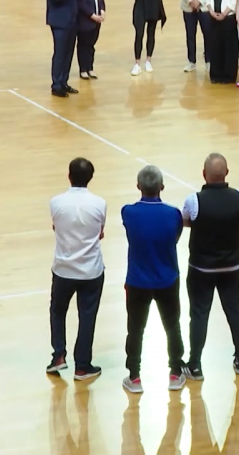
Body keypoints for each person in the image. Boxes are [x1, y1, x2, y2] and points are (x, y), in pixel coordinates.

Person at [180, 154, 239, 379]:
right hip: (231, 267)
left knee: (199, 314)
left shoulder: (194, 200)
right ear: (226, 173)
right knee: (234, 310)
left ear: (203, 174)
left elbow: (185, 220)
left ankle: (195, 364)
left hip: (201, 268)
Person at [120, 165, 186, 393]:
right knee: (172, 326)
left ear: (138, 186)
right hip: (167, 279)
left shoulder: (128, 212)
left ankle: (134, 377)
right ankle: (175, 373)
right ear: (162, 187)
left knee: (135, 329)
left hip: (137, 281)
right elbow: (175, 237)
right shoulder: (174, 214)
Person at [48, 157, 107, 380]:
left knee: (57, 311)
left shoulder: (56, 202)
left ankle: (58, 356)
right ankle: (82, 366)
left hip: (63, 269)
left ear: (69, 176)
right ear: (91, 178)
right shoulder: (100, 203)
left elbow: (56, 227)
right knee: (87, 316)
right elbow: (100, 233)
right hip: (91, 270)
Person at [45, 0, 81, 97]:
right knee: (60, 53)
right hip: (59, 22)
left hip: (72, 21)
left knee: (68, 53)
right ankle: (56, 85)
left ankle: (64, 82)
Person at [206, 0, 239, 85]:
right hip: (213, 16)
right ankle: (216, 74)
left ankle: (228, 75)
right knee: (215, 45)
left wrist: (225, 13)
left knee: (228, 46)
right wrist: (211, 10)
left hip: (228, 17)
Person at [75, 0, 106, 81]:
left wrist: (102, 11)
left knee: (91, 45)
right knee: (83, 45)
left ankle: (90, 68)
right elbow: (81, 4)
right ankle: (83, 69)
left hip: (96, 20)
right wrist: (92, 15)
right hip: (85, 21)